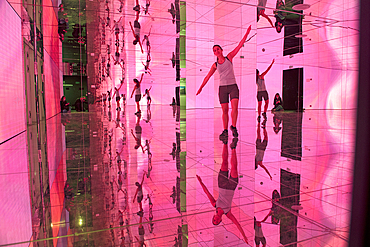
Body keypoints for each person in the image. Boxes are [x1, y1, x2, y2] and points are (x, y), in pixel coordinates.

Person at [196, 25, 252, 140]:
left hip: (233, 86)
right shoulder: (215, 65)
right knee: (225, 110)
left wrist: (247, 34)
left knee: (235, 108)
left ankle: (234, 127)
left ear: (221, 50)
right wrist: (201, 87)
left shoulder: (229, 57)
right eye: (214, 51)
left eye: (217, 49)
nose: (216, 51)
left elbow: (239, 45)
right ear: (214, 53)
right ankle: (225, 131)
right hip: (222, 88)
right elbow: (207, 77)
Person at [196, 138, 249, 245]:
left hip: (222, 184)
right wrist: (245, 237)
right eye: (217, 221)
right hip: (231, 187)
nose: (216, 219)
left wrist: (200, 182)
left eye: (214, 220)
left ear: (214, 217)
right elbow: (237, 224)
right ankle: (233, 147)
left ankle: (225, 142)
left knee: (224, 162)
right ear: (220, 220)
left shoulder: (214, 204)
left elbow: (207, 193)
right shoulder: (228, 213)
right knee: (234, 168)